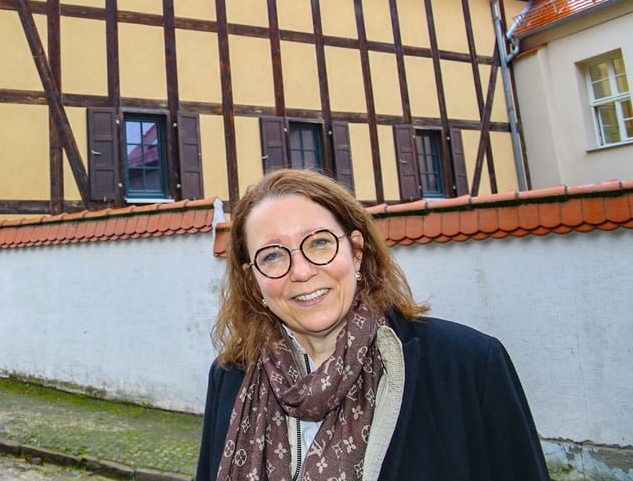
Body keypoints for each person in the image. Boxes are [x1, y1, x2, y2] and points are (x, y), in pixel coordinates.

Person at [196, 168, 549, 481]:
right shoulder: (230, 377)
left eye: (319, 243)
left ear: (357, 252)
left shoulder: (468, 364)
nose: (301, 271)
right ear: (253, 279)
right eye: (272, 255)